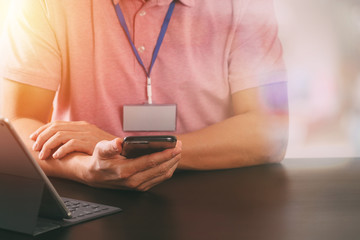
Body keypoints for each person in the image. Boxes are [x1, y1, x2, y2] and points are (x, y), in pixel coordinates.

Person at [0, 0, 288, 191]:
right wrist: (84, 167)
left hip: (215, 192)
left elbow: (270, 131)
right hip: (89, 198)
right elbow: (16, 126)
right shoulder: (42, 3)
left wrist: (129, 149)